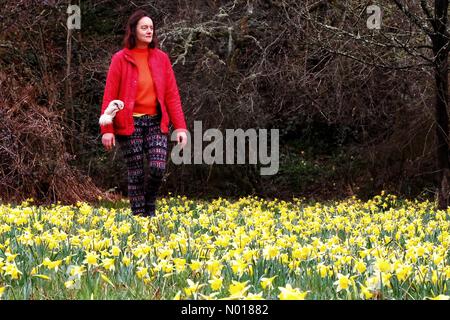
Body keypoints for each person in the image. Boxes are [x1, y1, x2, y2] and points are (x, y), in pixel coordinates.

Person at [99, 9, 187, 217]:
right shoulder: (120, 59)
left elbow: (172, 95)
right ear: (133, 30)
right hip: (129, 125)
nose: (149, 31)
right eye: (144, 27)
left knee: (157, 168)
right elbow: (109, 95)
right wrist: (107, 129)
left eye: (151, 28)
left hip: (156, 123)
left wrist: (181, 127)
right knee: (136, 173)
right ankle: (140, 218)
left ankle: (149, 205)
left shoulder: (161, 59)